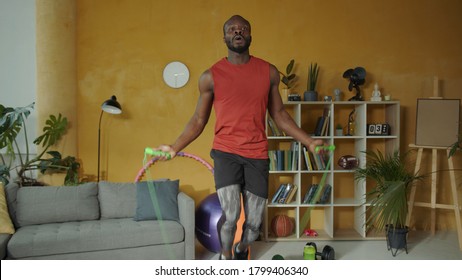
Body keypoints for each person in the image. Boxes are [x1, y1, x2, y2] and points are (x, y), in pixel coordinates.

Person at [155, 15, 324, 260]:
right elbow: (198, 121)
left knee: (254, 225)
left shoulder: (269, 72)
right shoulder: (210, 77)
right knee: (231, 216)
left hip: (257, 155)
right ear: (224, 37)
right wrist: (174, 147)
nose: (238, 32)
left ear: (250, 35)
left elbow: (279, 115)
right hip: (226, 153)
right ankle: (226, 256)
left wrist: (308, 141)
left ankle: (240, 249)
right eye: (232, 29)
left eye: (243, 29)